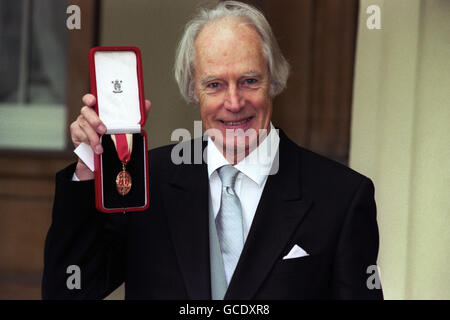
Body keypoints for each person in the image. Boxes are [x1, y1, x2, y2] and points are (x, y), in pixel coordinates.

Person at [42, 1, 382, 299]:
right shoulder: (144, 182)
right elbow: (69, 291)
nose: (233, 103)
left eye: (249, 80)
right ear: (193, 91)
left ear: (274, 80)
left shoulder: (342, 197)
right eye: (214, 85)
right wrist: (89, 163)